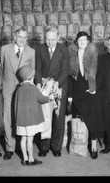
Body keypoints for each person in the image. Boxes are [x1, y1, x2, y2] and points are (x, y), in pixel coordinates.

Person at [68, 31, 104, 159]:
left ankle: (94, 147)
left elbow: (100, 74)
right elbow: (71, 78)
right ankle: (79, 145)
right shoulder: (72, 54)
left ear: (88, 42)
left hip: (90, 92)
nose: (82, 42)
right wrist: (70, 95)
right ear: (76, 42)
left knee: (92, 120)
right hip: (77, 92)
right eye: (80, 40)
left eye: (84, 40)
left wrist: (93, 88)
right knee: (79, 120)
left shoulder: (95, 54)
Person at [0, 28, 35, 160]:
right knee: (8, 118)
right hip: (8, 88)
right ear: (14, 37)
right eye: (19, 36)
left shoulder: (31, 52)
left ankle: (22, 147)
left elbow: (32, 72)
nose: (22, 39)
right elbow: (1, 68)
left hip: (24, 90)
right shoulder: (4, 49)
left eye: (25, 37)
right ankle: (10, 148)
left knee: (22, 119)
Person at [35, 27, 69, 157]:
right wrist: (38, 83)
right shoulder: (40, 49)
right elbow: (37, 68)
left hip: (59, 86)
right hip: (44, 85)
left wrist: (56, 83)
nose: (50, 42)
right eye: (47, 39)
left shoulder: (63, 49)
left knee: (58, 117)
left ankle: (56, 147)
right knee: (45, 116)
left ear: (58, 37)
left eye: (53, 40)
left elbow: (65, 70)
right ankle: (44, 147)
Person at [15, 65, 51, 166]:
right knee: (30, 139)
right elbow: (42, 99)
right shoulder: (33, 88)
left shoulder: (19, 89)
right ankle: (31, 159)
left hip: (21, 120)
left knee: (23, 139)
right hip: (31, 119)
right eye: (33, 76)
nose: (34, 78)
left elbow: (16, 105)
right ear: (31, 78)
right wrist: (49, 97)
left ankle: (25, 159)